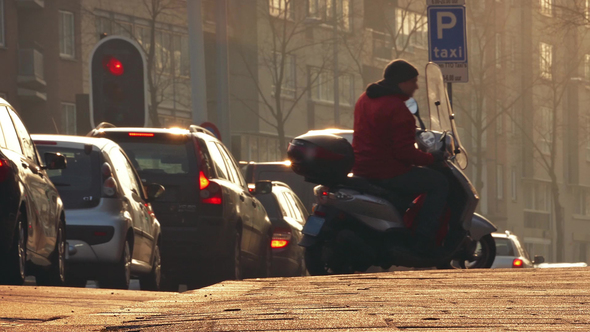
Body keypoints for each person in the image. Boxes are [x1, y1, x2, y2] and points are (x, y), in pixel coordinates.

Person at [352, 59, 449, 256]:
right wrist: (431, 157)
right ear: (401, 82)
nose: (416, 86)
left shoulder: (365, 99)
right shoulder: (397, 109)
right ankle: (423, 240)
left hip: (361, 167)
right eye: (413, 81)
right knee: (438, 183)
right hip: (387, 170)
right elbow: (404, 153)